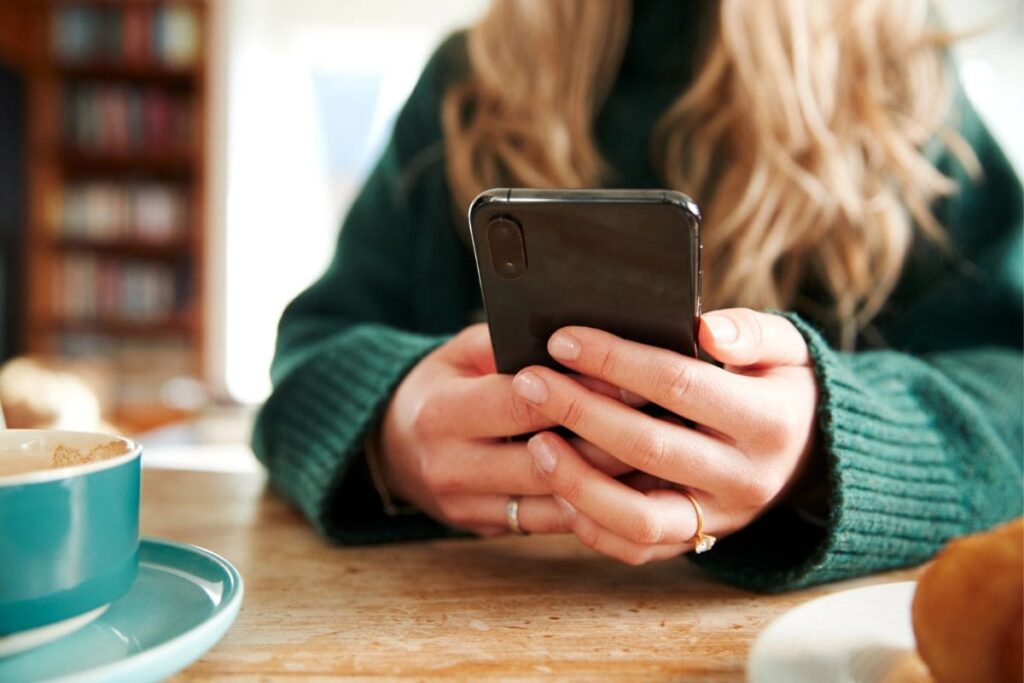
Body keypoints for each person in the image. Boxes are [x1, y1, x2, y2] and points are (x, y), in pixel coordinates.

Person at [252, 0, 1023, 591]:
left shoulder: (899, 80)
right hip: (482, 618)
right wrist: (391, 429)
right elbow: (312, 353)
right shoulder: (469, 80)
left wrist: (834, 444)